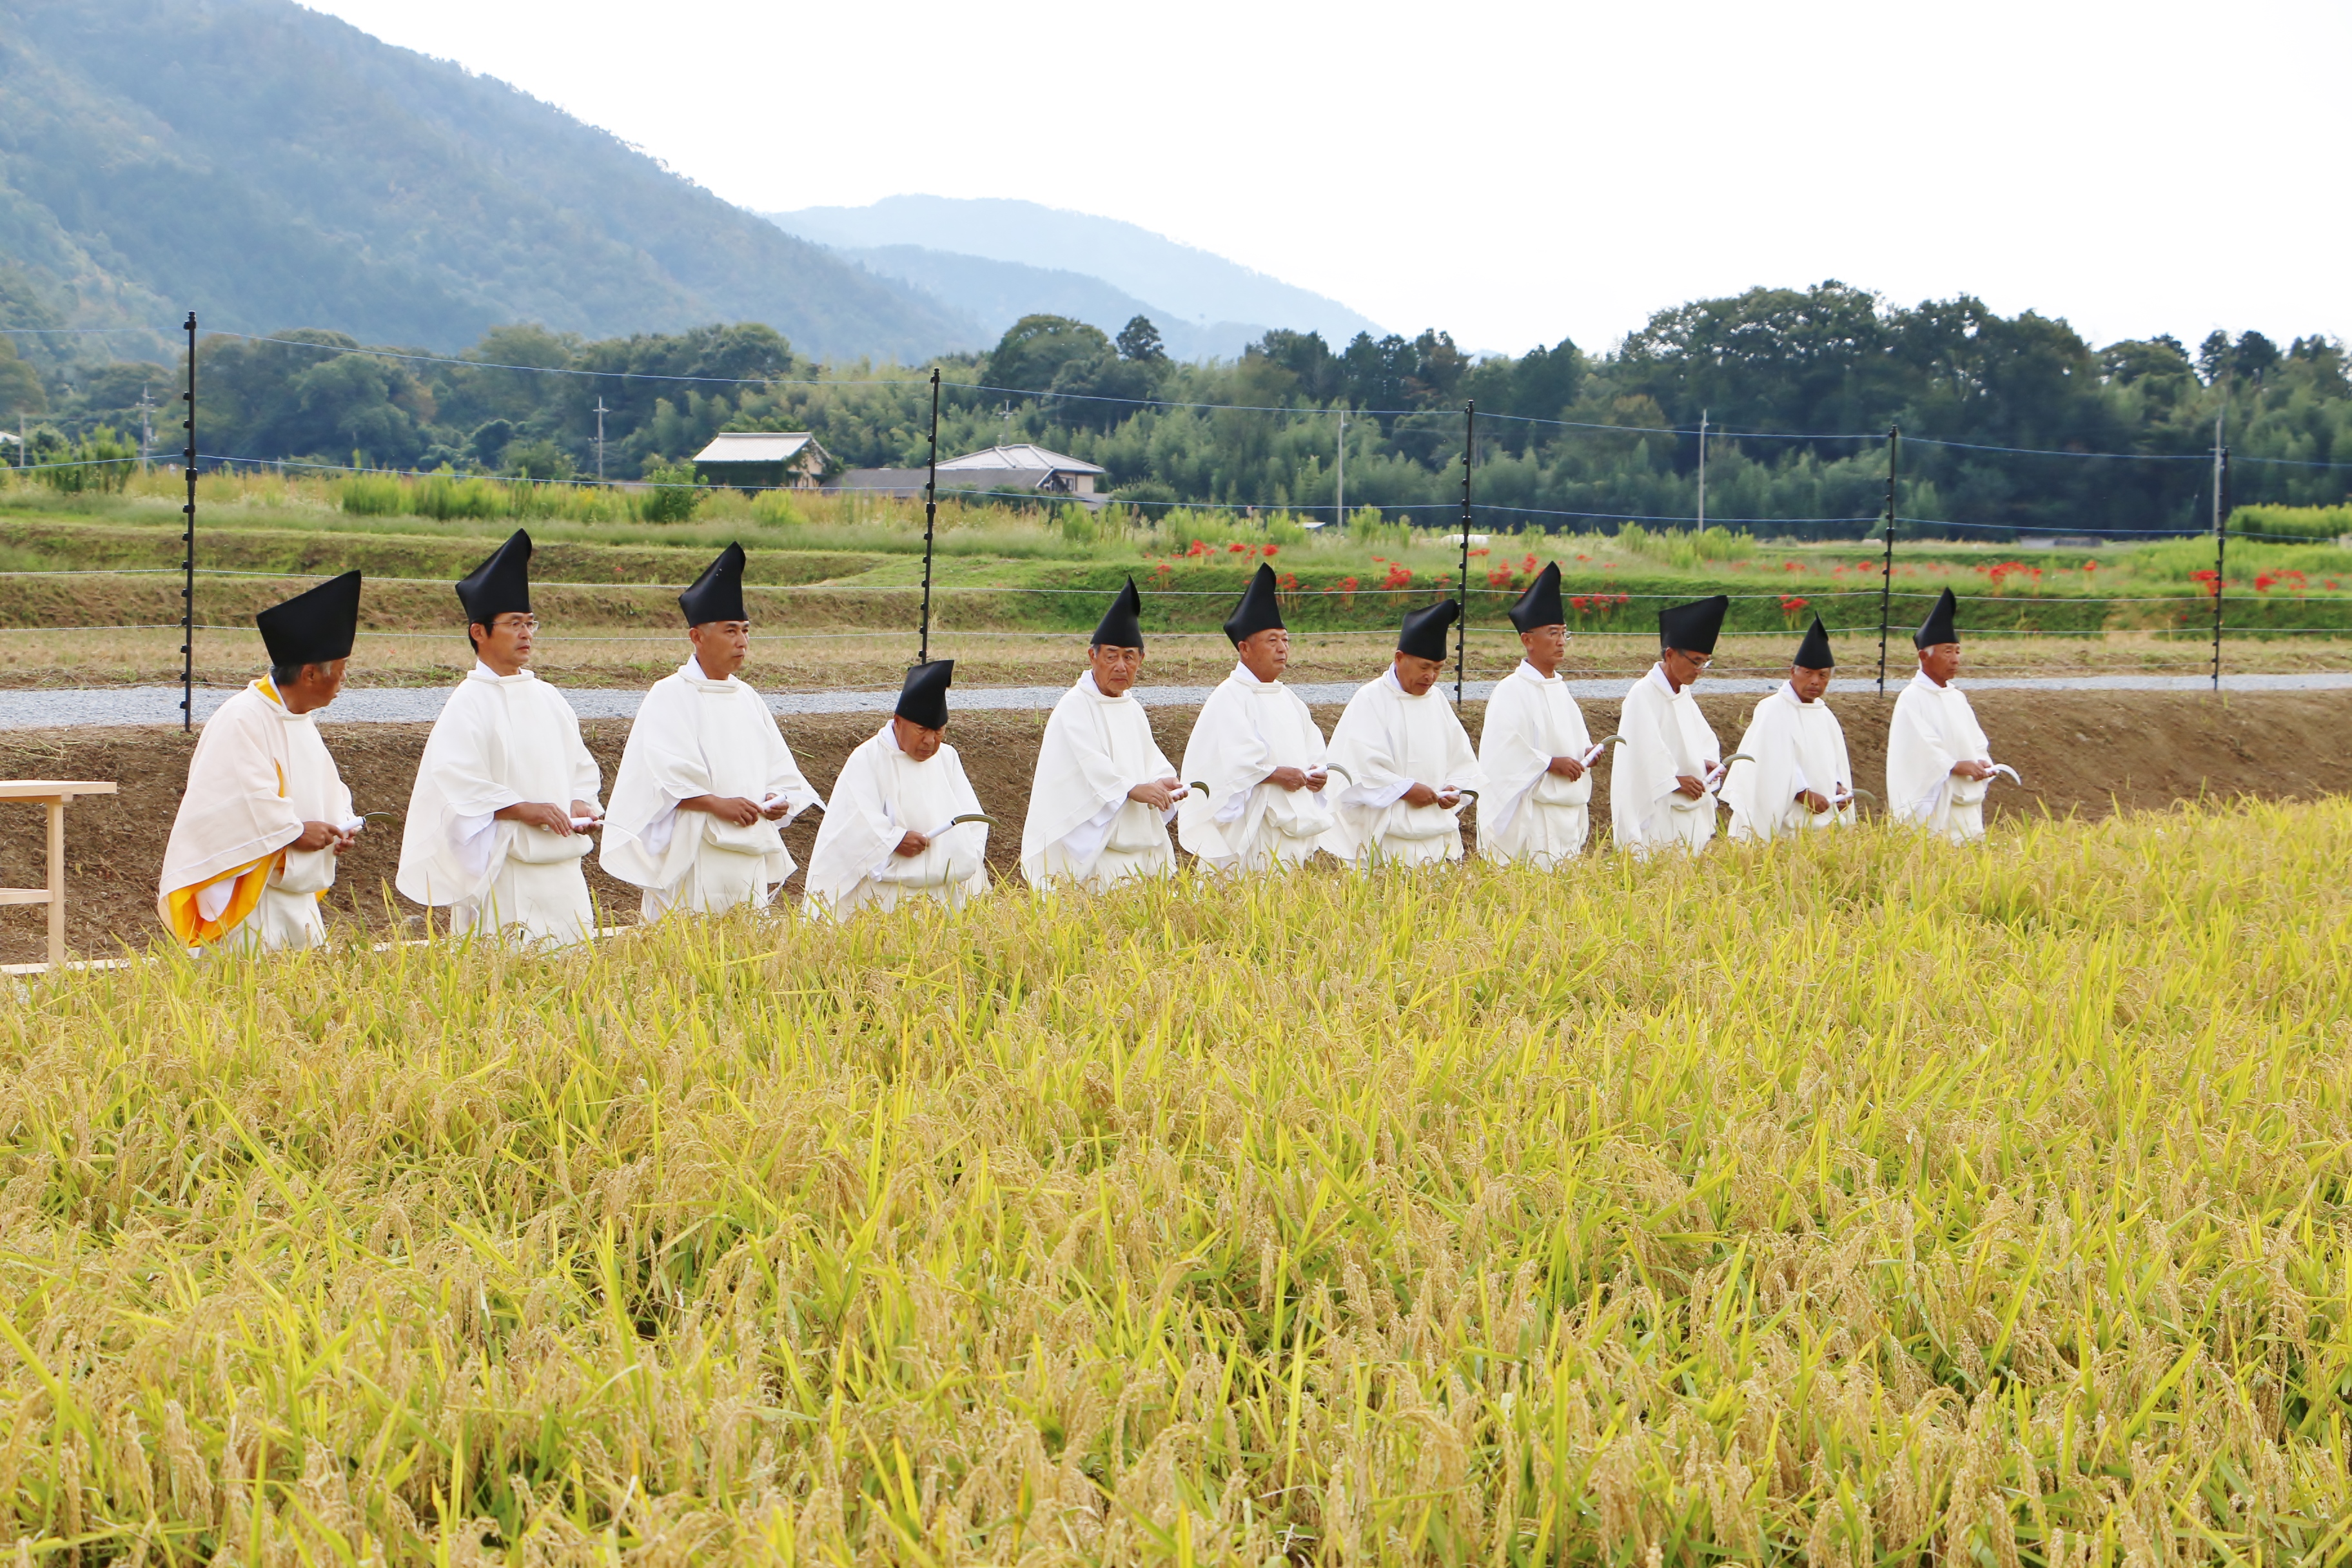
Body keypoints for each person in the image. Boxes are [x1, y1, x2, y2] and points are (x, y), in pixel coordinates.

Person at [397, 529, 604, 945]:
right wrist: (524, 809)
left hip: (565, 876)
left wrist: (581, 801)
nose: (526, 634)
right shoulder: (468, 703)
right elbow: (458, 785)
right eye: (514, 625)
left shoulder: (549, 698)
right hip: (506, 873)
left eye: (530, 624)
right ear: (479, 632)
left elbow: (580, 768)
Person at [600, 544, 822, 919]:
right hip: (694, 847)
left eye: (746, 631)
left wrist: (777, 795)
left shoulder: (747, 697)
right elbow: (664, 775)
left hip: (747, 847)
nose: (742, 642)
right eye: (731, 630)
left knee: (746, 946)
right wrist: (716, 803)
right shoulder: (670, 694)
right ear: (697, 637)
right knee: (688, 945)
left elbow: (778, 767)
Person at [157, 571, 363, 952]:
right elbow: (237, 803)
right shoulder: (243, 718)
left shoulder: (298, 719)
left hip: (294, 898)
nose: (344, 679)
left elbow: (324, 786)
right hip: (251, 899)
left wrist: (339, 826)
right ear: (309, 674)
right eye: (341, 668)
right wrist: (294, 830)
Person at [1020, 577, 1185, 890]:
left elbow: (1150, 759)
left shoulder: (1132, 708)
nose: (1121, 666)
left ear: (1141, 660)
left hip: (1138, 845)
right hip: (1096, 851)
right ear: (1092, 656)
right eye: (1111, 656)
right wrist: (1132, 788)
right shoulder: (1074, 708)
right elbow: (1091, 768)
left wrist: (1161, 782)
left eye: (1129, 657)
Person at [1176, 563, 1334, 872]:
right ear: (1245, 649)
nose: (1282, 649)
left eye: (1286, 640)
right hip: (1252, 824)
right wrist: (1277, 774)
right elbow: (1235, 765)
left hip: (1291, 823)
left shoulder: (1289, 698)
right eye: (1272, 640)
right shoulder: (1229, 696)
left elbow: (1314, 749)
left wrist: (1317, 774)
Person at [803, 660, 990, 916]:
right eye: (921, 730)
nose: (929, 741)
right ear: (898, 722)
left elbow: (973, 820)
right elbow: (850, 824)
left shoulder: (947, 757)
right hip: (883, 899)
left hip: (942, 896)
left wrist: (960, 854)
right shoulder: (868, 758)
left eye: (938, 732)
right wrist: (894, 840)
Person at [1325, 599, 1485, 867]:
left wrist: (1455, 789)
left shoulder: (1437, 701)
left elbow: (1462, 761)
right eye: (1424, 667)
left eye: (1438, 669)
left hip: (1434, 836)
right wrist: (1405, 789)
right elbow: (1358, 768)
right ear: (1400, 659)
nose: (1431, 677)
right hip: (1385, 837)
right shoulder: (1371, 700)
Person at [1476, 562, 1596, 867]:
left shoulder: (1561, 689)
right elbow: (1502, 755)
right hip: (1533, 818)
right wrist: (1549, 763)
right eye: (1553, 633)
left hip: (1565, 814)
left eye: (1565, 635)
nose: (1560, 642)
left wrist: (1587, 755)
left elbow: (1576, 741)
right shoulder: (1510, 691)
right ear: (1528, 640)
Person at [1723, 614, 1857, 841]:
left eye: (1823, 675)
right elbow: (1771, 762)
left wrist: (1838, 789)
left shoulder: (1825, 716)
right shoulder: (1773, 709)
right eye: (1808, 673)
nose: (1815, 681)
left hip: (1820, 819)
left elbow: (1832, 764)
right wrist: (1803, 793)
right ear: (1792, 671)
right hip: (1785, 820)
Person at [1611, 594, 1727, 856]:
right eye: (1695, 661)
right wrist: (1673, 780)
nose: (1700, 670)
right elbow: (1636, 760)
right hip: (1659, 812)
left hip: (1690, 808)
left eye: (1705, 662)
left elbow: (1702, 741)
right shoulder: (1643, 695)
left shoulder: (1682, 693)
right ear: (1671, 654)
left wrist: (1708, 763)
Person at [1888, 587, 1997, 843]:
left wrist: (1981, 760)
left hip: (1964, 798)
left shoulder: (1956, 697)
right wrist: (1955, 765)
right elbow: (1919, 750)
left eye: (1958, 651)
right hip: (1937, 803)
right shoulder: (1912, 698)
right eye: (1948, 652)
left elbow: (1976, 741)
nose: (1956, 659)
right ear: (1924, 656)